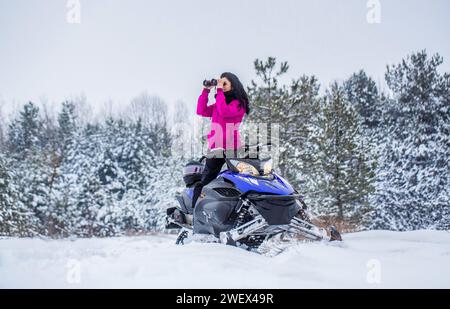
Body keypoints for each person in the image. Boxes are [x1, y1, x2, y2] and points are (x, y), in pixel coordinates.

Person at [191, 72, 250, 208]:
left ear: (233, 86)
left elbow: (225, 111)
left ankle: (240, 210)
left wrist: (218, 91)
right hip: (216, 147)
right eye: (220, 83)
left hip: (232, 147)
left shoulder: (239, 104)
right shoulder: (219, 103)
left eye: (224, 83)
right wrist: (206, 90)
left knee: (237, 180)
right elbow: (201, 110)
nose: (221, 86)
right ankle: (195, 211)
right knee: (205, 180)